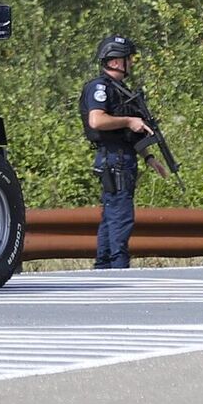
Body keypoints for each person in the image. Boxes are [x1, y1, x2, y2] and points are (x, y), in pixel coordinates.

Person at [80, 35, 153, 269]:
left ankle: (104, 267)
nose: (131, 63)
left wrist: (149, 157)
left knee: (112, 213)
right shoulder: (100, 87)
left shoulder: (121, 90)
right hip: (115, 158)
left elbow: (131, 132)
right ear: (114, 61)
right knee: (120, 214)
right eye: (127, 58)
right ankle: (118, 266)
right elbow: (96, 120)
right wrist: (129, 120)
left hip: (121, 155)